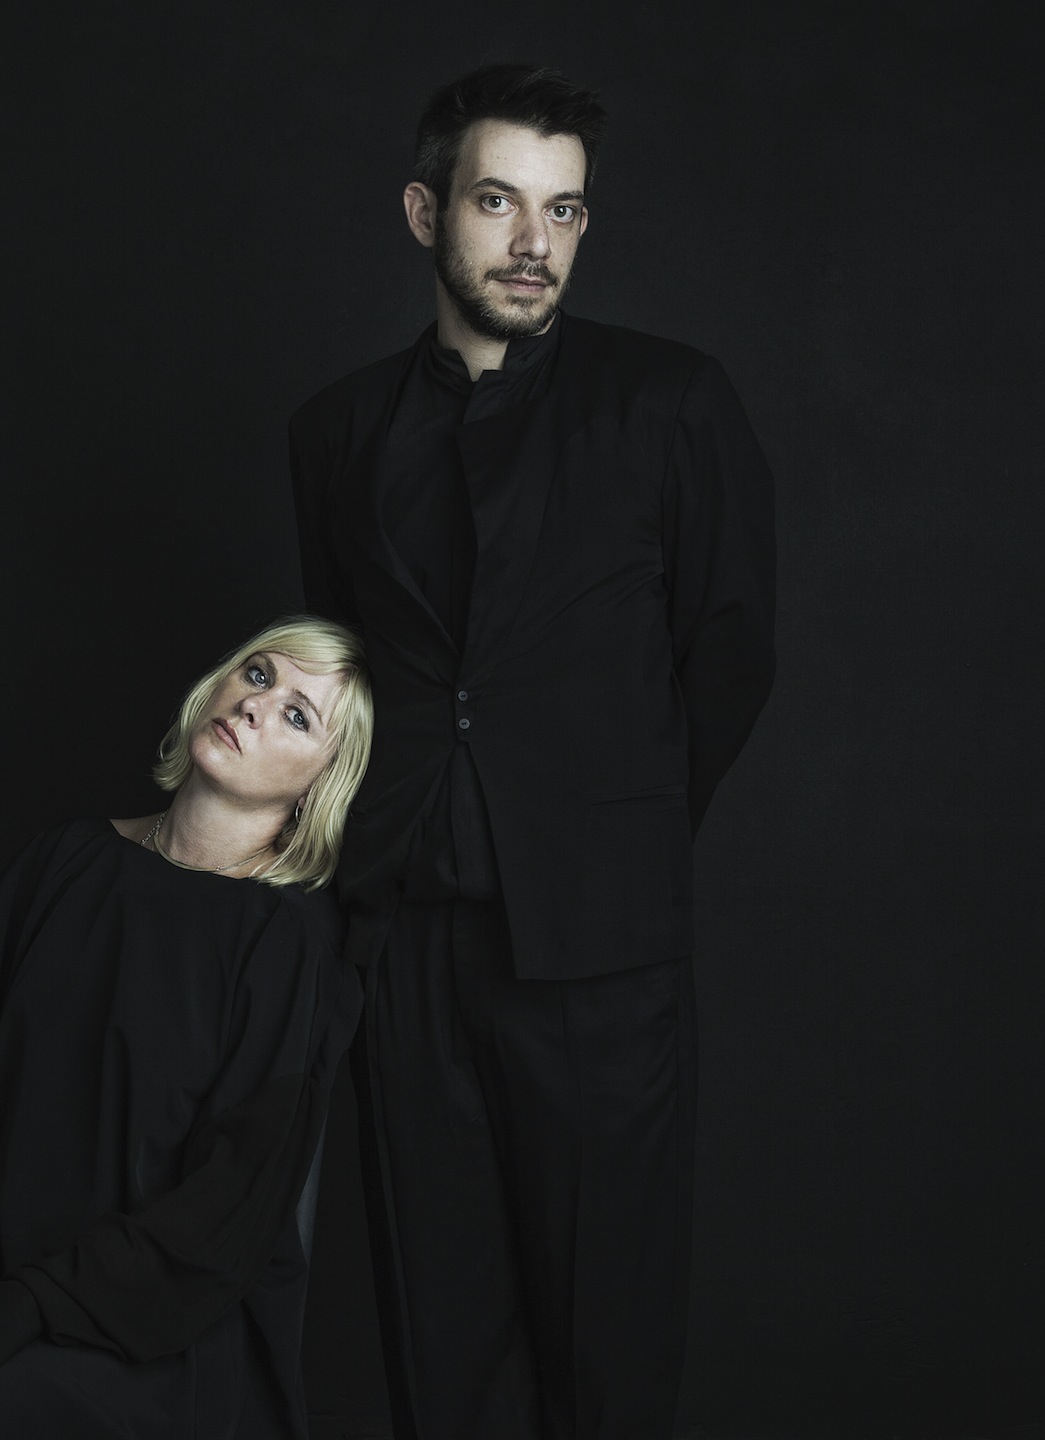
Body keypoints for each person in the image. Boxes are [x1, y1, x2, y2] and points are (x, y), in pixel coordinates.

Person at [288, 64, 777, 1440]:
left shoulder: (671, 403)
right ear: (423, 212)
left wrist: (609, 825)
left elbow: (730, 654)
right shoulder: (334, 432)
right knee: (438, 1327)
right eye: (498, 202)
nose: (533, 243)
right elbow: (348, 666)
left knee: (606, 1329)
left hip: (598, 947)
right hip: (402, 936)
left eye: (564, 211)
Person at [0, 616, 373, 1440]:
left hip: (149, 1338)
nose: (256, 705)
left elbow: (228, 1210)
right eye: (257, 675)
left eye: (299, 715)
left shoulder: (288, 942)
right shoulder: (65, 861)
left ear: (320, 782)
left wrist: (25, 1309)